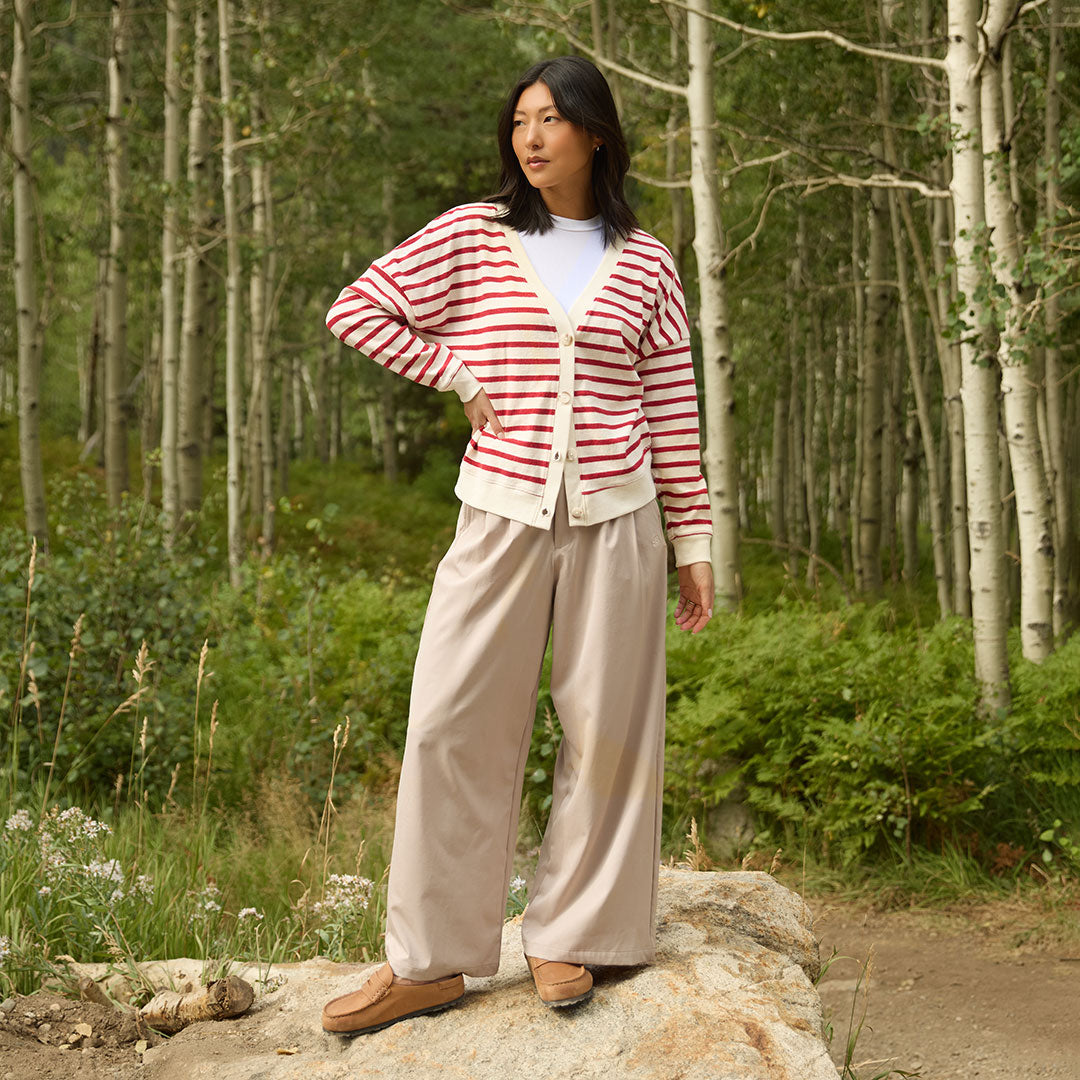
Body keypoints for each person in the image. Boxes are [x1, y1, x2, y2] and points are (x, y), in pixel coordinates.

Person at [320, 55, 715, 1038]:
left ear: (595, 134)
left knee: (608, 732)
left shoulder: (648, 263)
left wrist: (693, 540)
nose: (530, 137)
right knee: (447, 720)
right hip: (499, 512)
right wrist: (455, 371)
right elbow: (356, 309)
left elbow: (673, 408)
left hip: (619, 520)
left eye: (551, 119)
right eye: (519, 121)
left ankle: (570, 935)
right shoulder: (473, 233)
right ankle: (430, 959)